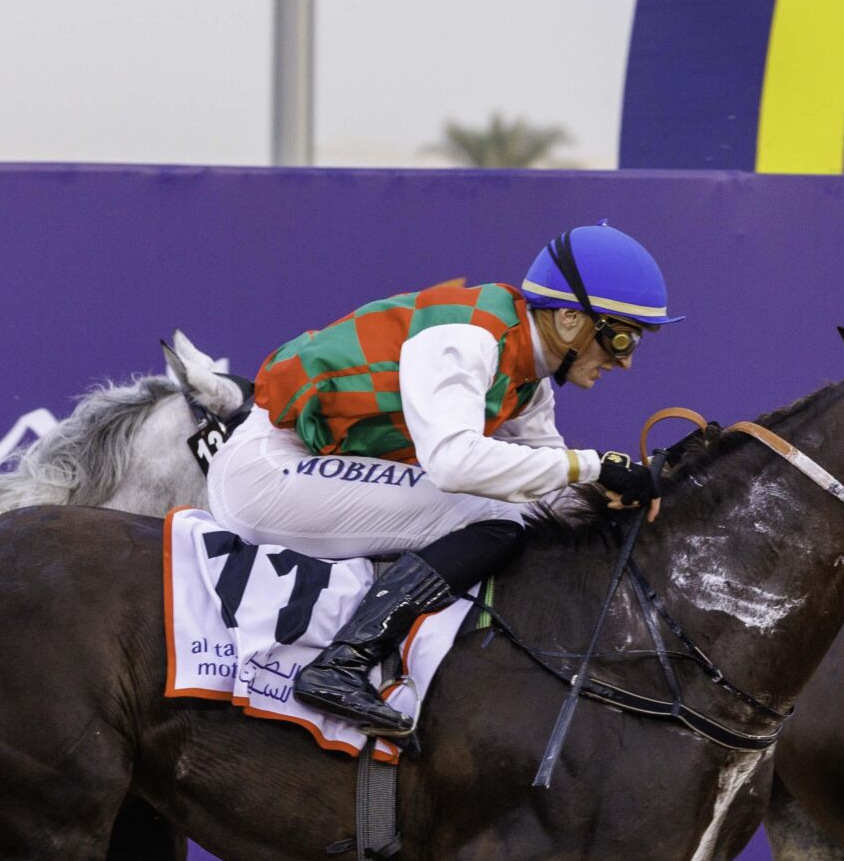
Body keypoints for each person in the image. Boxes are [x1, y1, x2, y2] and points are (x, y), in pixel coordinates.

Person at [207, 222, 678, 737]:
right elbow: (454, 465)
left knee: (521, 510)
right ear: (569, 319)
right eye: (620, 336)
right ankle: (342, 663)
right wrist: (593, 466)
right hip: (267, 471)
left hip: (311, 464)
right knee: (497, 514)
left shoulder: (529, 380)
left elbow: (548, 484)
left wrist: (625, 488)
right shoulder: (467, 339)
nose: (626, 361)